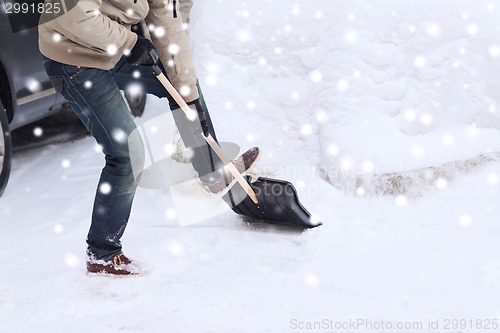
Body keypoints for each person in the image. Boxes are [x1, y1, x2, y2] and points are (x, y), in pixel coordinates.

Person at [38, 0, 260, 276]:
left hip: (111, 46)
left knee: (183, 89)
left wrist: (188, 101)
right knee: (127, 155)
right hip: (73, 57)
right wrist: (130, 43)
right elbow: (73, 16)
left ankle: (211, 172)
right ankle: (102, 252)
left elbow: (168, 25)